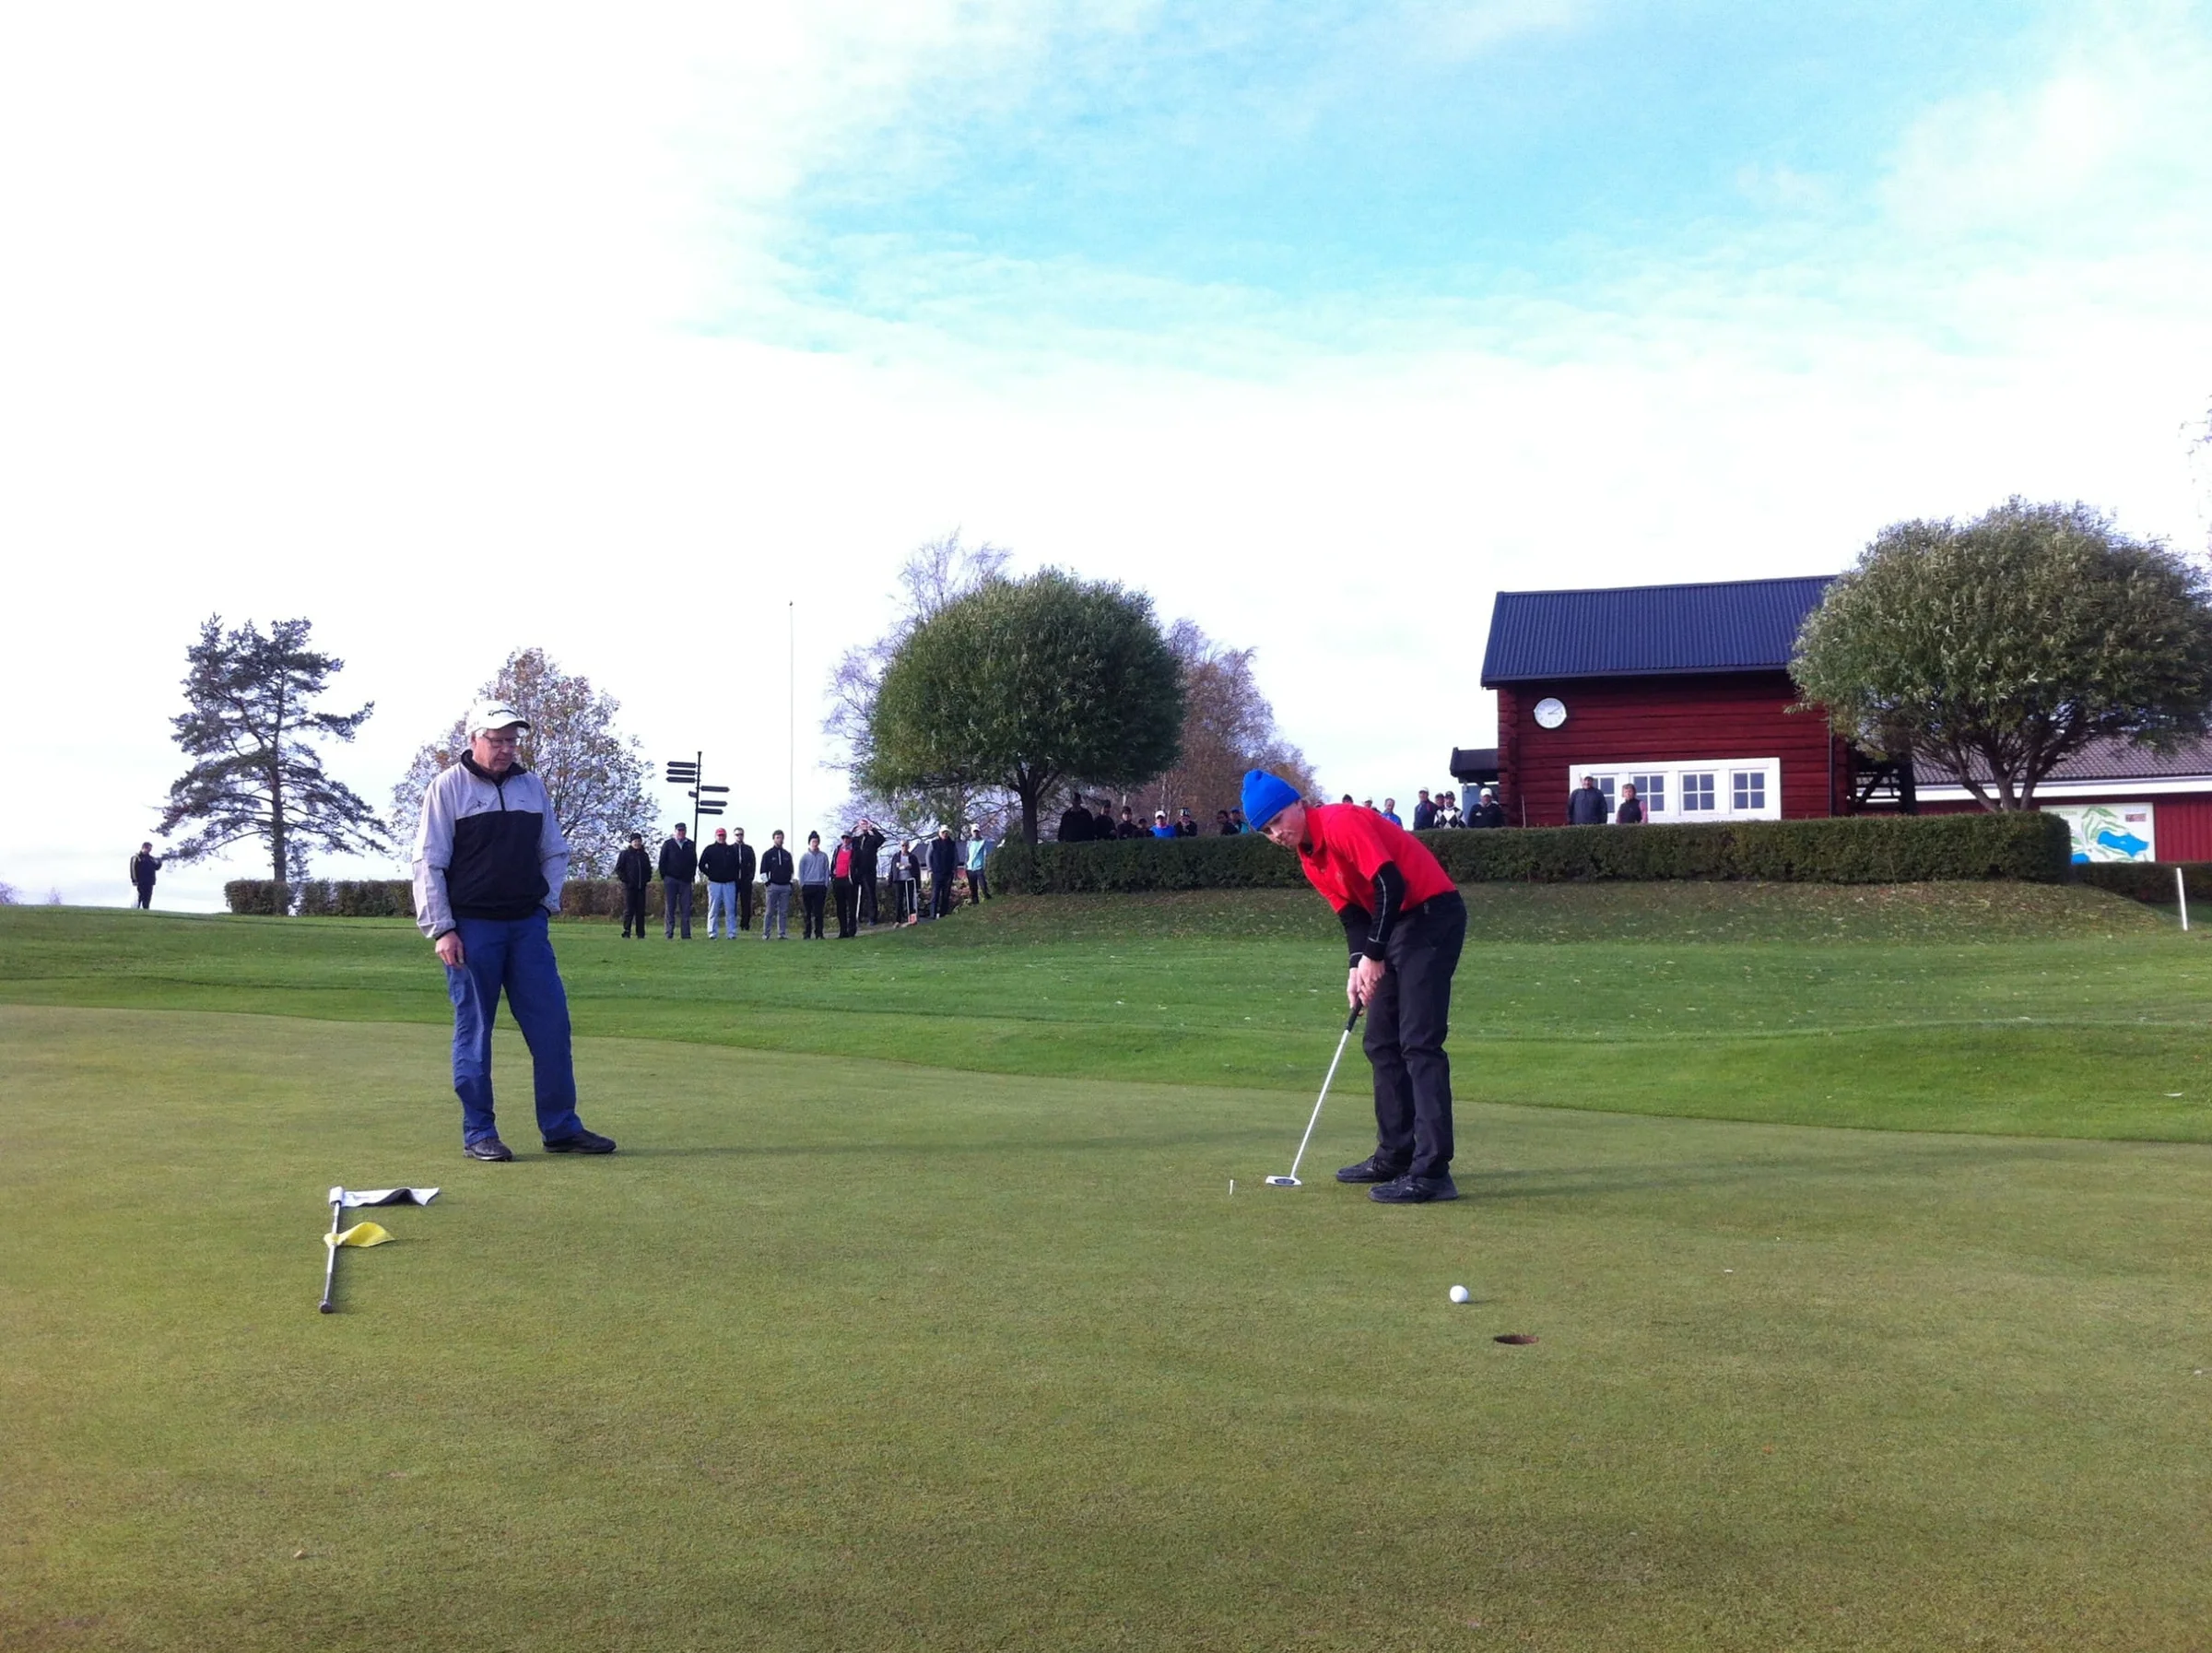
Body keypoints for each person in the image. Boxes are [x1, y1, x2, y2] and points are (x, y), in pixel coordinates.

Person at [1243, 769, 1465, 1204]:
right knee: (1381, 1042)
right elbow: (1353, 918)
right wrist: (1357, 966)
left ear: (1297, 804)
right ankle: (1396, 1154)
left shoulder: (1342, 822)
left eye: (1276, 821)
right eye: (1265, 830)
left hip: (1431, 916)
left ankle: (1433, 1171)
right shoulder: (1311, 859)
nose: (1275, 834)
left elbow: (1390, 884)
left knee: (1419, 1042)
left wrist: (1374, 954)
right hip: (1395, 925)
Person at [412, 701, 615, 1162]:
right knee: (475, 1031)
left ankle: (561, 1127)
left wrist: (546, 904)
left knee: (552, 1027)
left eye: (511, 741)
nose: (505, 749)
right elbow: (429, 862)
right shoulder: (447, 788)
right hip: (471, 928)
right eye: (495, 740)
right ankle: (478, 1131)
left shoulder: (531, 786)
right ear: (473, 740)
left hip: (527, 927)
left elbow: (554, 852)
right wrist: (442, 928)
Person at [700, 827, 747, 939]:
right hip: (714, 883)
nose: (721, 837)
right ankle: (712, 932)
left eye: (723, 835)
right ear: (716, 836)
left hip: (729, 884)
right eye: (719, 835)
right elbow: (701, 865)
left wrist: (733, 877)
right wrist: (710, 874)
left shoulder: (731, 850)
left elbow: (737, 866)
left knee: (730, 909)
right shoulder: (709, 849)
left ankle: (731, 933)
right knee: (713, 908)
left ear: (726, 836)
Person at [658, 822, 698, 939]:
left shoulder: (690, 844)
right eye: (679, 831)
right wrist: (665, 877)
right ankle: (669, 933)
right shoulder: (668, 844)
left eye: (683, 831)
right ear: (675, 831)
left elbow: (693, 862)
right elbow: (662, 862)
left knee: (685, 908)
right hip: (671, 879)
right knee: (670, 907)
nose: (681, 833)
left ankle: (686, 934)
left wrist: (691, 876)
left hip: (685, 881)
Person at [613, 832, 652, 939]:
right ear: (631, 843)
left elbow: (648, 869)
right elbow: (619, 869)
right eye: (635, 841)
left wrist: (646, 879)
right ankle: (626, 930)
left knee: (641, 911)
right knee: (629, 910)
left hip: (641, 887)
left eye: (639, 841)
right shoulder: (625, 854)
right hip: (629, 887)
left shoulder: (644, 855)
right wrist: (626, 880)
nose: (637, 843)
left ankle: (640, 933)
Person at [759, 830, 794, 939]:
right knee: (769, 911)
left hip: (785, 887)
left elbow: (791, 871)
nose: (780, 839)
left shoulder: (787, 855)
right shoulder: (768, 854)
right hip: (773, 886)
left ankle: (782, 933)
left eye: (781, 837)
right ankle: (766, 933)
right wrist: (767, 883)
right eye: (777, 837)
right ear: (774, 839)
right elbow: (763, 871)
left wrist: (790, 883)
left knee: (783, 912)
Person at [797, 832, 831, 939]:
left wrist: (826, 884)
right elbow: (801, 872)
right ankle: (807, 934)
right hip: (808, 886)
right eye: (813, 841)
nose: (815, 844)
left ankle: (819, 933)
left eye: (816, 841)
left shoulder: (824, 856)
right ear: (809, 843)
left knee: (819, 912)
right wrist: (802, 885)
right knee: (807, 912)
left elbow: (827, 871)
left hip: (820, 886)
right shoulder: (804, 857)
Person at [852, 820, 886, 926]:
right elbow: (847, 841)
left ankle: (872, 918)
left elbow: (881, 839)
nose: (863, 827)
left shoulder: (872, 839)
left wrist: (873, 829)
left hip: (869, 871)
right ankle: (858, 917)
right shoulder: (856, 840)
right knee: (857, 895)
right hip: (858, 871)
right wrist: (853, 829)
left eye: (864, 825)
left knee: (870, 894)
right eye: (861, 825)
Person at [728, 827, 759, 931]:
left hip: (746, 880)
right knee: (732, 903)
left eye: (741, 834)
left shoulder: (748, 849)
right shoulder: (730, 848)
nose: (739, 836)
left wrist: (751, 876)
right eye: (737, 835)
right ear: (734, 836)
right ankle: (732, 925)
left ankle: (745, 924)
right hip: (733, 880)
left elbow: (753, 863)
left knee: (746, 903)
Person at [927, 825, 960, 918]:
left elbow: (956, 857)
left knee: (946, 895)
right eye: (943, 832)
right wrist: (930, 869)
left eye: (946, 832)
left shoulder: (952, 844)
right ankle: (932, 915)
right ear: (939, 833)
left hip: (948, 873)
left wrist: (954, 869)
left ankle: (943, 914)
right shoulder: (933, 843)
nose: (945, 834)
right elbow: (928, 856)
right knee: (935, 895)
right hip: (936, 873)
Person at [830, 832, 858, 939]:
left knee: (851, 907)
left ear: (850, 839)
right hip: (838, 880)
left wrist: (855, 877)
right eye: (844, 838)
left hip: (849, 881)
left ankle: (851, 930)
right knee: (840, 907)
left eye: (847, 838)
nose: (845, 840)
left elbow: (857, 865)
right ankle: (842, 931)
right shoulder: (837, 849)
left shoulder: (854, 850)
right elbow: (833, 863)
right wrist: (832, 875)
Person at [128, 842, 163, 909]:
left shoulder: (151, 859)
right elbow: (133, 869)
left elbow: (156, 867)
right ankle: (136, 910)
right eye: (148, 849)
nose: (149, 851)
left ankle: (146, 910)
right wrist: (134, 880)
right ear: (144, 848)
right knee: (138, 898)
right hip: (140, 881)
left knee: (147, 899)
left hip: (149, 882)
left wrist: (160, 863)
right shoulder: (136, 857)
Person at [965, 825, 994, 903]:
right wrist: (966, 866)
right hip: (970, 868)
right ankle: (975, 903)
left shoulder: (983, 842)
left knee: (983, 886)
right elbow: (967, 855)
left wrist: (985, 865)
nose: (976, 833)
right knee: (973, 888)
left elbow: (987, 853)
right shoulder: (969, 843)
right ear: (971, 832)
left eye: (977, 831)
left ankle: (988, 899)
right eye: (974, 831)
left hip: (979, 867)